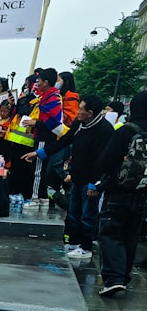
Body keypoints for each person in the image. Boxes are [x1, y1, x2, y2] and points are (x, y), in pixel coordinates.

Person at [24, 94, 113, 259]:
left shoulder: (104, 130)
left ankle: (85, 247)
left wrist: (95, 184)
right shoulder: (80, 124)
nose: (77, 112)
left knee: (87, 215)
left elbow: (103, 161)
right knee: (73, 213)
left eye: (81, 109)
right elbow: (63, 141)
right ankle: (73, 242)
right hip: (77, 176)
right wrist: (40, 153)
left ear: (90, 113)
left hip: (91, 180)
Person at [87, 90, 147, 295]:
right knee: (131, 235)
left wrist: (97, 184)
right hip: (141, 194)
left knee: (111, 233)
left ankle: (113, 278)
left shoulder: (125, 130)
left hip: (118, 192)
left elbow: (105, 161)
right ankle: (124, 277)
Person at [20, 67, 67, 204]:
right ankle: (41, 198)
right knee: (38, 169)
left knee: (38, 171)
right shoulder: (46, 97)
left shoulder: (53, 98)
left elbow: (53, 122)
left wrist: (35, 123)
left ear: (45, 82)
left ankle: (36, 199)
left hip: (45, 138)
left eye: (39, 80)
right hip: (40, 136)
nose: (37, 83)